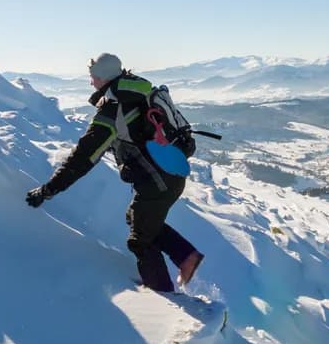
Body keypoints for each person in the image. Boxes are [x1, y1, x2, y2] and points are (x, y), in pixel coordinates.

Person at [25, 53, 204, 292]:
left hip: (157, 181)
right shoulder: (136, 90)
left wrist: (48, 190)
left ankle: (162, 292)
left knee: (140, 240)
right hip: (169, 173)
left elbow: (83, 158)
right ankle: (185, 257)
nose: (91, 81)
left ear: (102, 77)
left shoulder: (112, 110)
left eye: (93, 76)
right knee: (137, 219)